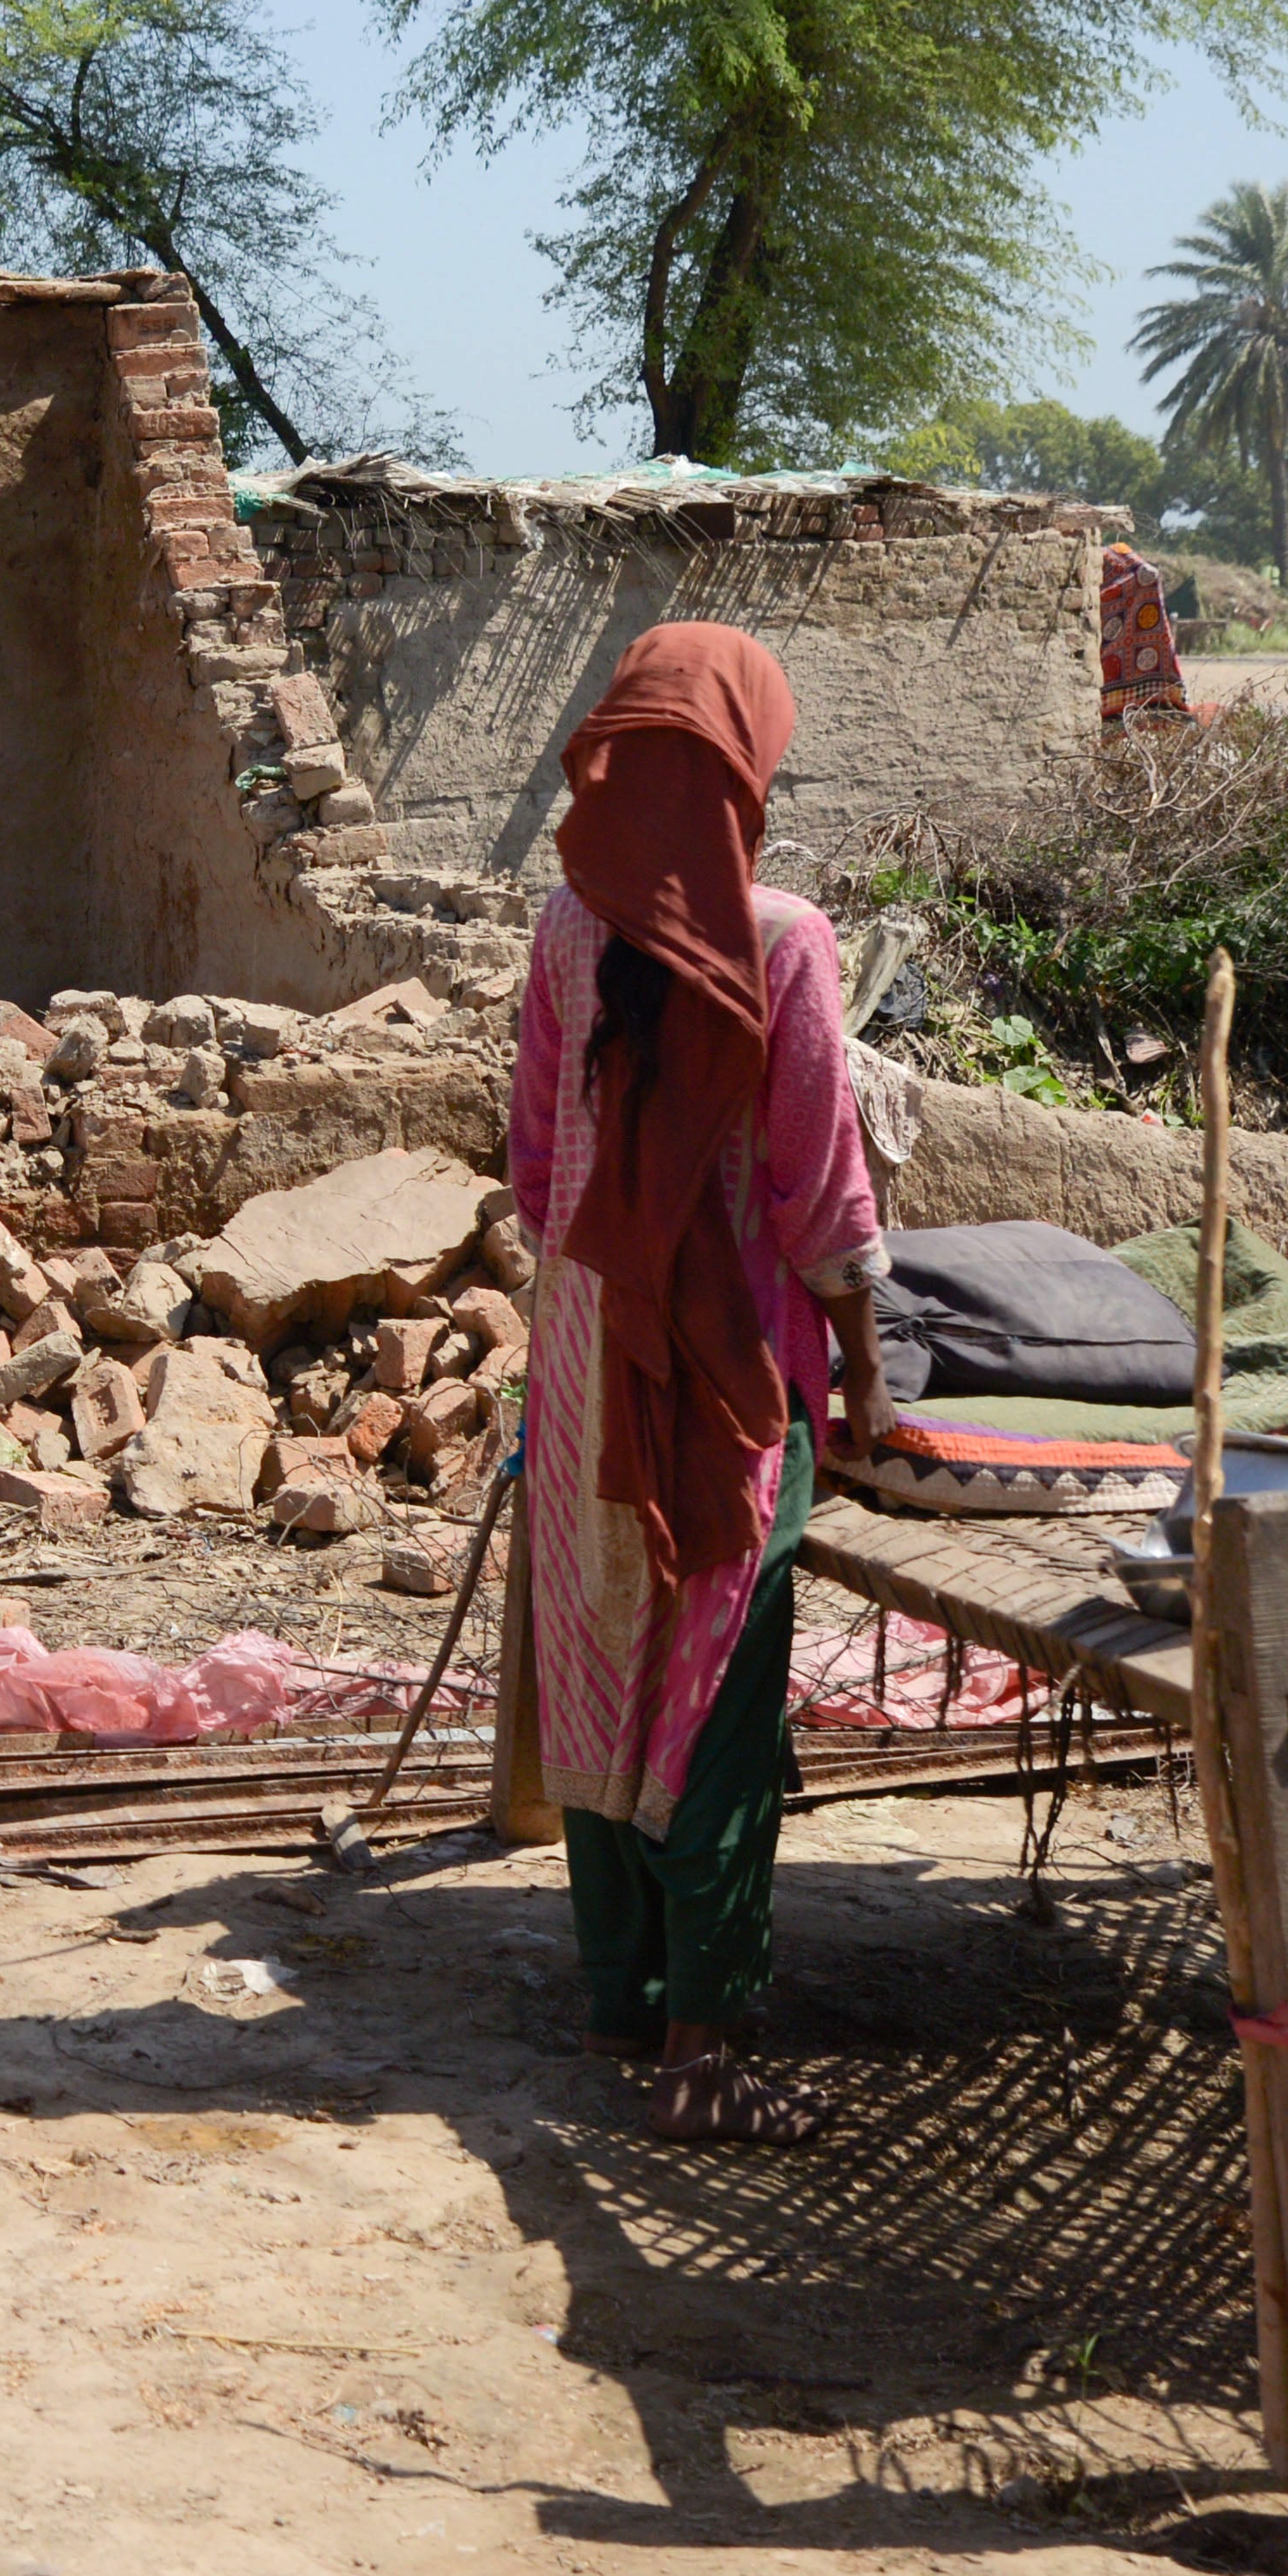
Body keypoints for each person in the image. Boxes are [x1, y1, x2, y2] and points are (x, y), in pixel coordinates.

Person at [502, 622, 889, 2144]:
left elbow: (537, 1170)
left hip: (587, 1356)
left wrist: (601, 1290)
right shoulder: (788, 942)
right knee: (718, 1681)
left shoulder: (562, 930)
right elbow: (821, 1200)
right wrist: (860, 1381)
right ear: (744, 776)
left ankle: (620, 1996)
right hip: (729, 1376)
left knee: (603, 1646)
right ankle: (705, 2052)